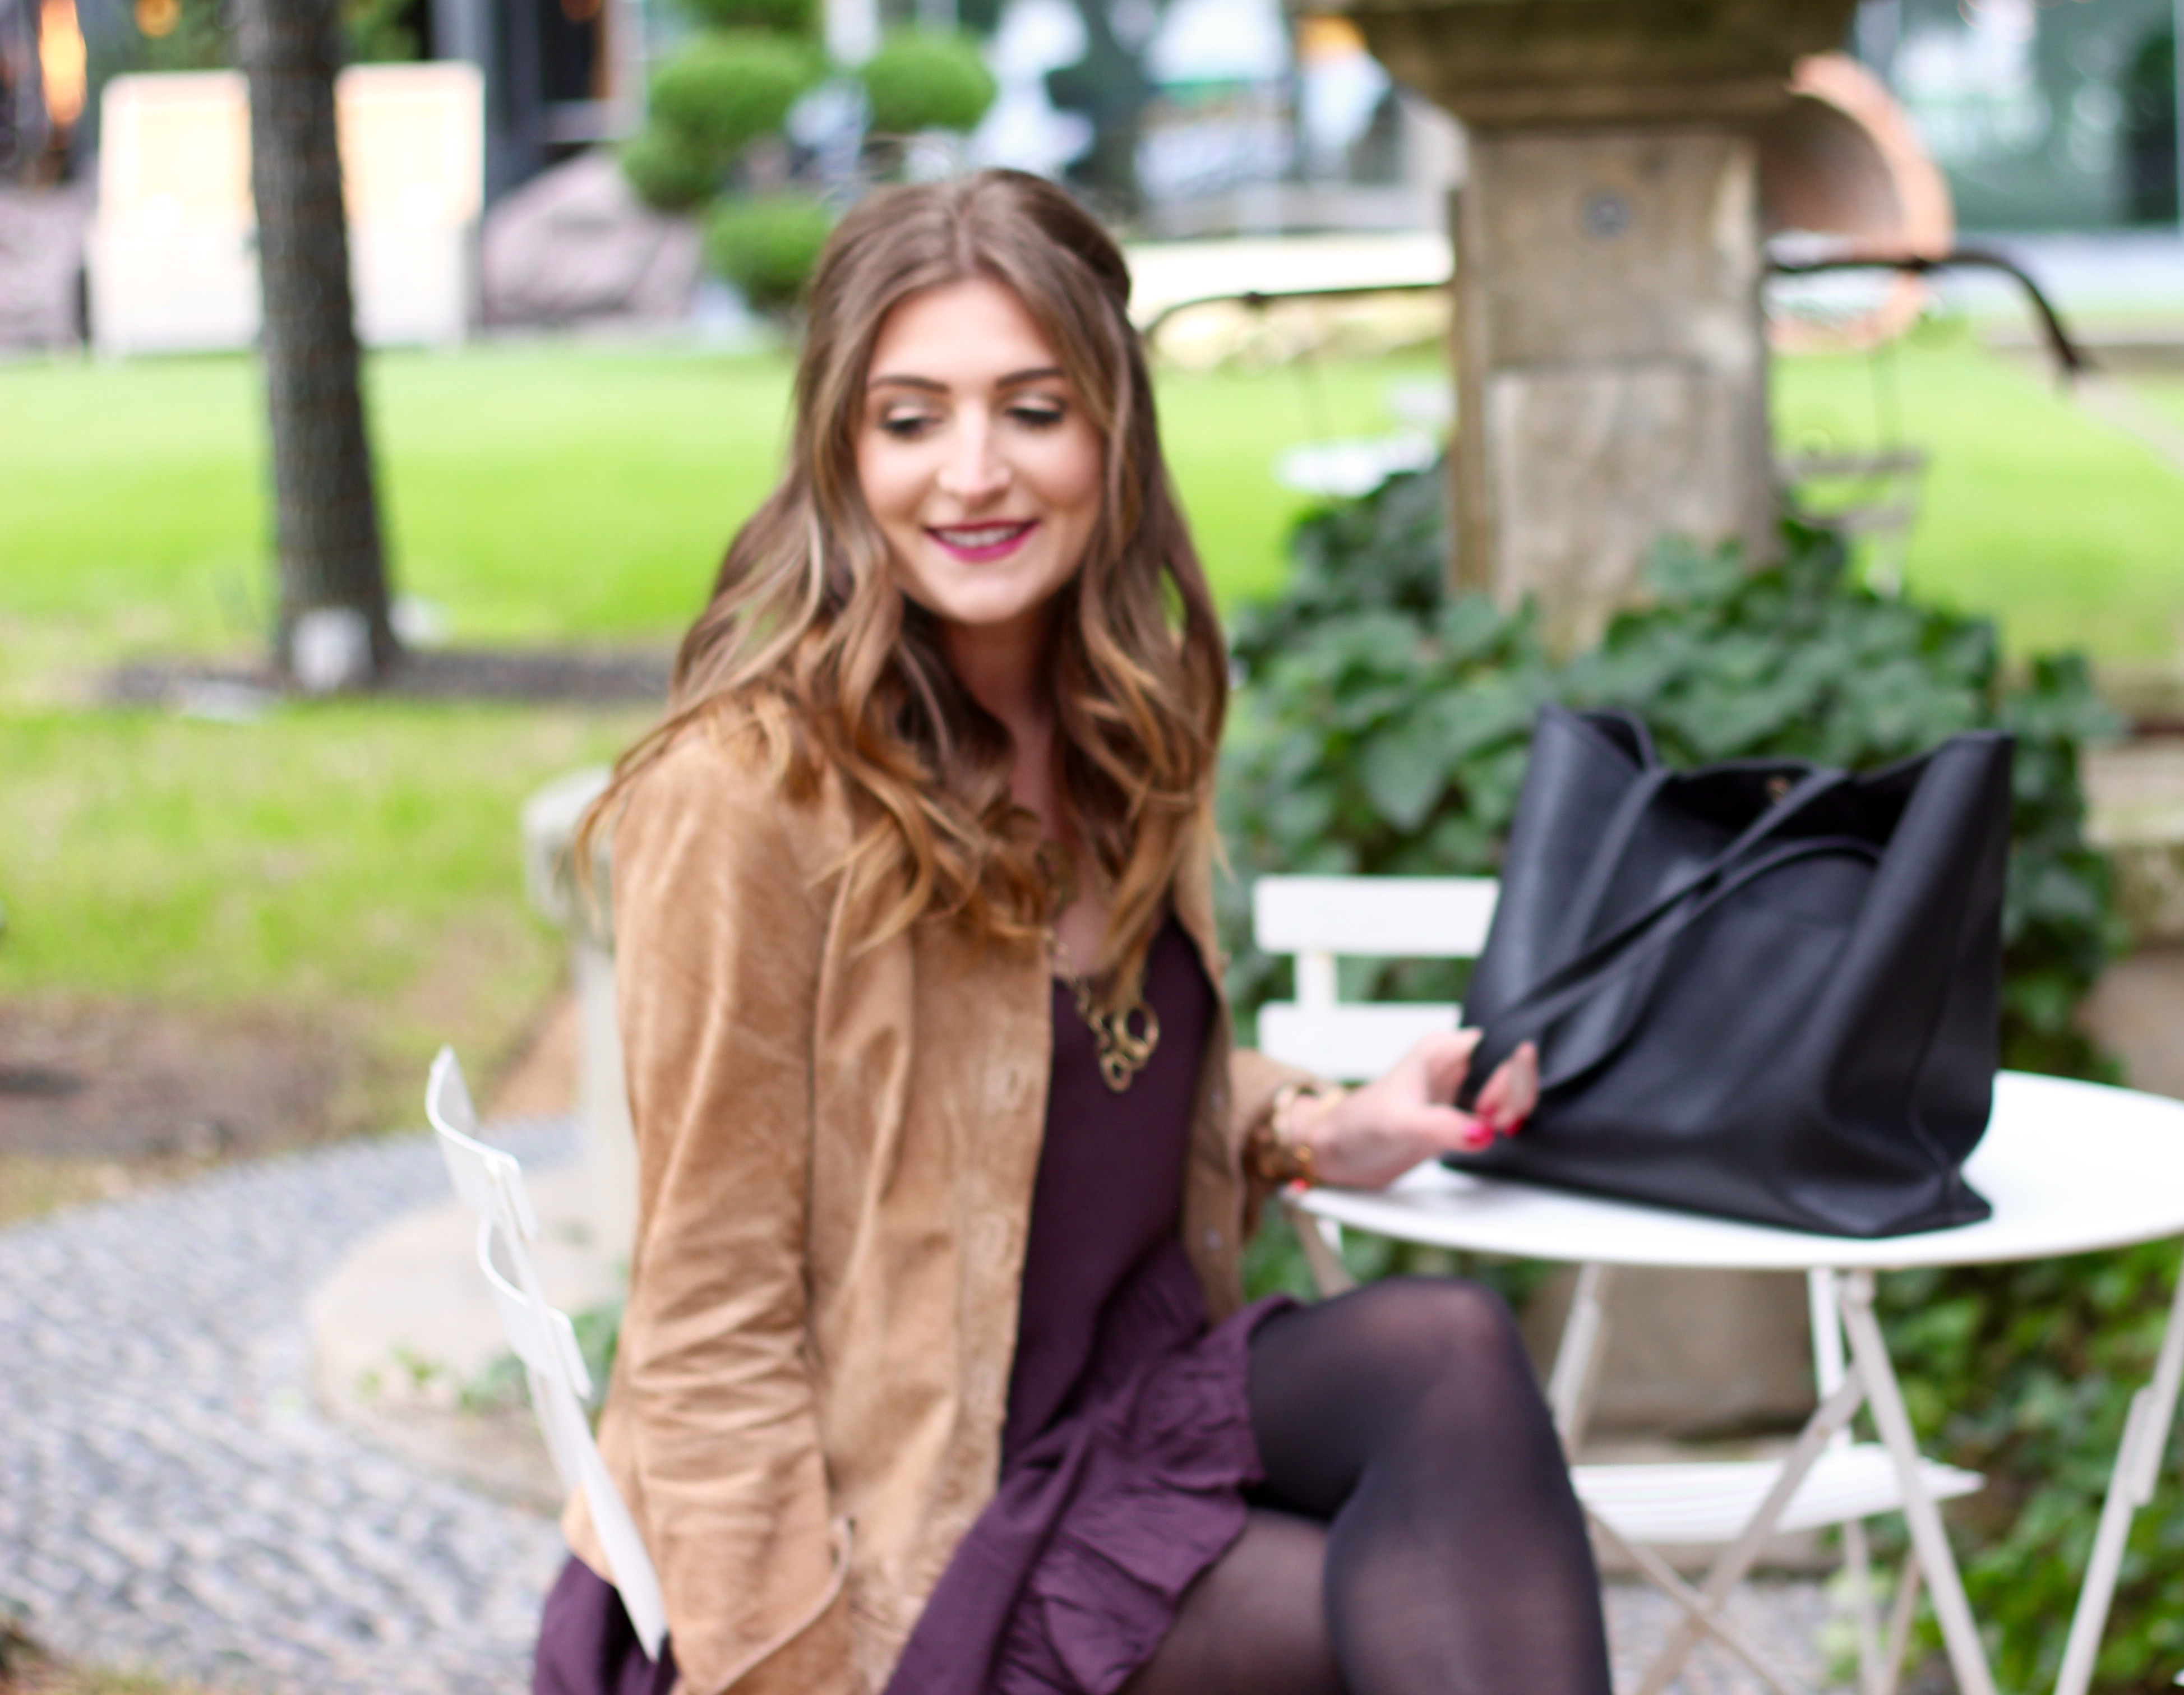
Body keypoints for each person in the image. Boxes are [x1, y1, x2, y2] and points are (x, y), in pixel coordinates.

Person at [532, 170, 1613, 1695]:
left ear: (1112, 432)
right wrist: (785, 1672)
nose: (972, 473)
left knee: (1446, 1354)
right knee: (1385, 1627)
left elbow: (1063, 1091)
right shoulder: (751, 798)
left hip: (1108, 1411)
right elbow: (706, 1320)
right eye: (912, 420)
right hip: (903, 1529)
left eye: (1031, 410)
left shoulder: (1112, 727)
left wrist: (1314, 1124)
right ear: (845, 454)